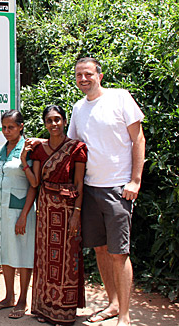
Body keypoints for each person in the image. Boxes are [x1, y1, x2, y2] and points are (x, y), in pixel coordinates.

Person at [67, 57, 145, 326]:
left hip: (118, 189)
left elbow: (138, 138)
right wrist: (40, 143)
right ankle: (112, 305)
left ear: (99, 75)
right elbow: (70, 146)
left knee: (119, 252)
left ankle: (125, 316)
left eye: (88, 74)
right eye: (78, 75)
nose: (83, 79)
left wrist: (135, 181)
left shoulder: (120, 98)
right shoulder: (78, 108)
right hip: (89, 188)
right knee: (100, 249)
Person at [20, 105, 87, 325]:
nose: (54, 124)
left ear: (65, 121)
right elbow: (35, 182)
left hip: (68, 210)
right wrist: (24, 161)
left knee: (67, 258)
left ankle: (64, 311)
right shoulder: (39, 150)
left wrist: (77, 212)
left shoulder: (76, 149)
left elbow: (79, 183)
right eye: (49, 121)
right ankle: (45, 308)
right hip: (46, 211)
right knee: (46, 258)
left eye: (57, 119)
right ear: (45, 124)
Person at [0, 110, 35, 319]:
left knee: (22, 253)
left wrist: (24, 215)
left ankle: (22, 299)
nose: (6, 131)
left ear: (21, 126)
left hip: (21, 210)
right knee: (5, 250)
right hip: (2, 210)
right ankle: (8, 297)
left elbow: (34, 185)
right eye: (4, 127)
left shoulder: (30, 149)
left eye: (11, 127)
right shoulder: (0, 150)